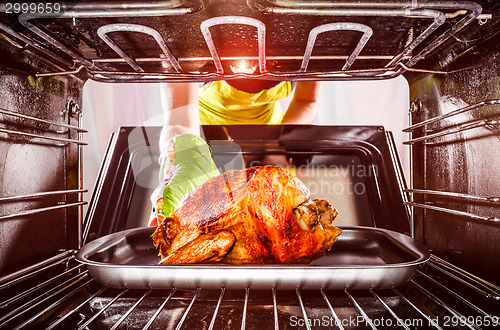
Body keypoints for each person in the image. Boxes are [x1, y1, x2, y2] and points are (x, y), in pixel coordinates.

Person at [149, 80, 323, 226]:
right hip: (202, 136)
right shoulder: (186, 44)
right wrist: (182, 164)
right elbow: (179, 120)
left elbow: (306, 101)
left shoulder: (306, 47)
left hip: (271, 135)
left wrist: (277, 147)